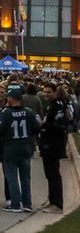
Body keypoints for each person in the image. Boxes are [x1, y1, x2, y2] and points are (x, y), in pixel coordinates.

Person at [0, 84, 40, 213]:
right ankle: (27, 204)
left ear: (13, 99)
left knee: (12, 177)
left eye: (9, 97)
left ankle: (15, 204)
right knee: (25, 178)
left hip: (10, 148)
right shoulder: (29, 112)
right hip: (26, 148)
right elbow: (37, 127)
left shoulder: (6, 113)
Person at [38, 82, 73, 213]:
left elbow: (61, 126)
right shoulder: (51, 105)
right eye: (45, 92)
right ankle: (52, 200)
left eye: (49, 92)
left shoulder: (58, 106)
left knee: (54, 174)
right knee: (49, 174)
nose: (46, 94)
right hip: (47, 144)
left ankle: (58, 204)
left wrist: (44, 124)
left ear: (55, 92)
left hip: (53, 145)